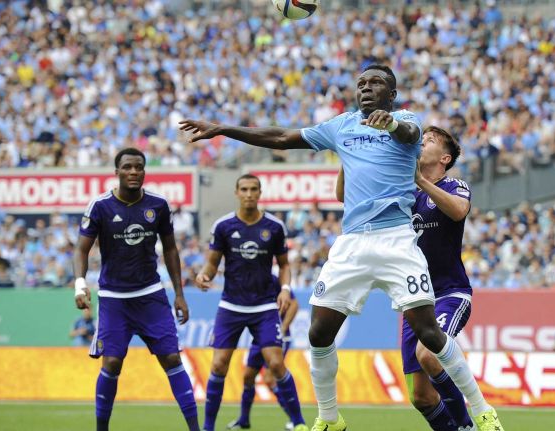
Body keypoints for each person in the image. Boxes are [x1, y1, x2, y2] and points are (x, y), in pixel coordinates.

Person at [180, 64, 504, 431]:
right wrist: (225, 130)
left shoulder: (407, 121)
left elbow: (412, 132)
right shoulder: (342, 126)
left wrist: (392, 124)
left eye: (377, 82)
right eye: (362, 83)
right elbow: (283, 137)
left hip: (395, 238)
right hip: (351, 242)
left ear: (392, 94)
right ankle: (330, 418)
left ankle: (481, 411)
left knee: (430, 336)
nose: (366, 87)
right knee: (318, 331)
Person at [336, 125, 477, 431]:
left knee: (429, 354)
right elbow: (343, 197)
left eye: (428, 141)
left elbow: (457, 212)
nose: (420, 143)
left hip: (450, 293)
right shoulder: (403, 191)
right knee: (422, 397)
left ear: (444, 157)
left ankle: (468, 426)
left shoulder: (454, 186)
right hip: (414, 299)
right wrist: (350, 159)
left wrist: (422, 182)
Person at [72, 148, 199, 431]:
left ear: (144, 171)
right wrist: (80, 285)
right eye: (127, 167)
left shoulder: (159, 205)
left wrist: (179, 294)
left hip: (150, 295)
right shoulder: (100, 206)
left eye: (138, 167)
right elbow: (81, 249)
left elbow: (170, 248)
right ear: (116, 172)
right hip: (114, 299)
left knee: (172, 358)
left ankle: (195, 428)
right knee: (113, 362)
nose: (133, 172)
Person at [196, 174, 307, 431]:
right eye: (244, 189)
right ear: (237, 192)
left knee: (277, 364)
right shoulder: (223, 226)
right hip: (231, 305)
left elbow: (284, 265)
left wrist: (286, 289)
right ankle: (208, 427)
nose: (249, 193)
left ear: (260, 193)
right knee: (219, 364)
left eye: (253, 189)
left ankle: (299, 423)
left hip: (264, 306)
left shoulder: (275, 227)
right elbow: (212, 263)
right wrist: (204, 275)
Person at [228, 280, 300, 431]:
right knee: (248, 376)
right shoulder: (251, 283)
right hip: (259, 337)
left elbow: (294, 304)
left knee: (269, 377)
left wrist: (284, 326)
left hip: (277, 338)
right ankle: (243, 419)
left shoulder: (274, 281)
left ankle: (295, 420)